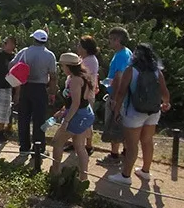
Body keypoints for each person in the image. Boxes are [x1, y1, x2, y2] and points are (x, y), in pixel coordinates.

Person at [107, 43, 171, 186]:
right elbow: (164, 91)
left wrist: (117, 110)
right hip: (153, 111)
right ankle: (145, 171)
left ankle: (125, 175)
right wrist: (166, 103)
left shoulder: (131, 70)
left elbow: (122, 92)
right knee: (147, 141)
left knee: (132, 144)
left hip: (134, 111)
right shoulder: (157, 71)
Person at [50, 52, 96, 183]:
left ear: (68, 66)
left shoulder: (75, 80)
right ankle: (83, 177)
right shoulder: (83, 77)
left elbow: (76, 103)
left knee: (57, 142)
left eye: (63, 66)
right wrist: (63, 110)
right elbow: (78, 101)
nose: (62, 68)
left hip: (77, 115)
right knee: (79, 146)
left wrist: (66, 121)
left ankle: (56, 172)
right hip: (84, 113)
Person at [14, 29, 58, 153]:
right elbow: (53, 77)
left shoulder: (25, 52)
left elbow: (12, 65)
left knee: (23, 118)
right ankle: (39, 148)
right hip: (40, 88)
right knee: (39, 120)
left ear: (34, 39)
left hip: (25, 86)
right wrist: (52, 93)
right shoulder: (50, 55)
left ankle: (24, 147)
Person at [97, 27, 133, 166]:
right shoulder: (125, 52)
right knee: (121, 125)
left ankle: (114, 156)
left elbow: (119, 77)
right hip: (122, 95)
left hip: (117, 96)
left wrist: (114, 98)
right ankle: (125, 152)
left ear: (118, 40)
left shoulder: (121, 56)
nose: (109, 42)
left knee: (114, 124)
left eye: (111, 39)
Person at [70, 35, 100, 155]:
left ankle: (88, 145)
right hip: (79, 92)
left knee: (85, 118)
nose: (77, 47)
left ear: (86, 48)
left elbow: (81, 75)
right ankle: (76, 143)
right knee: (77, 118)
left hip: (86, 94)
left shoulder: (90, 60)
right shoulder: (82, 58)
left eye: (80, 45)